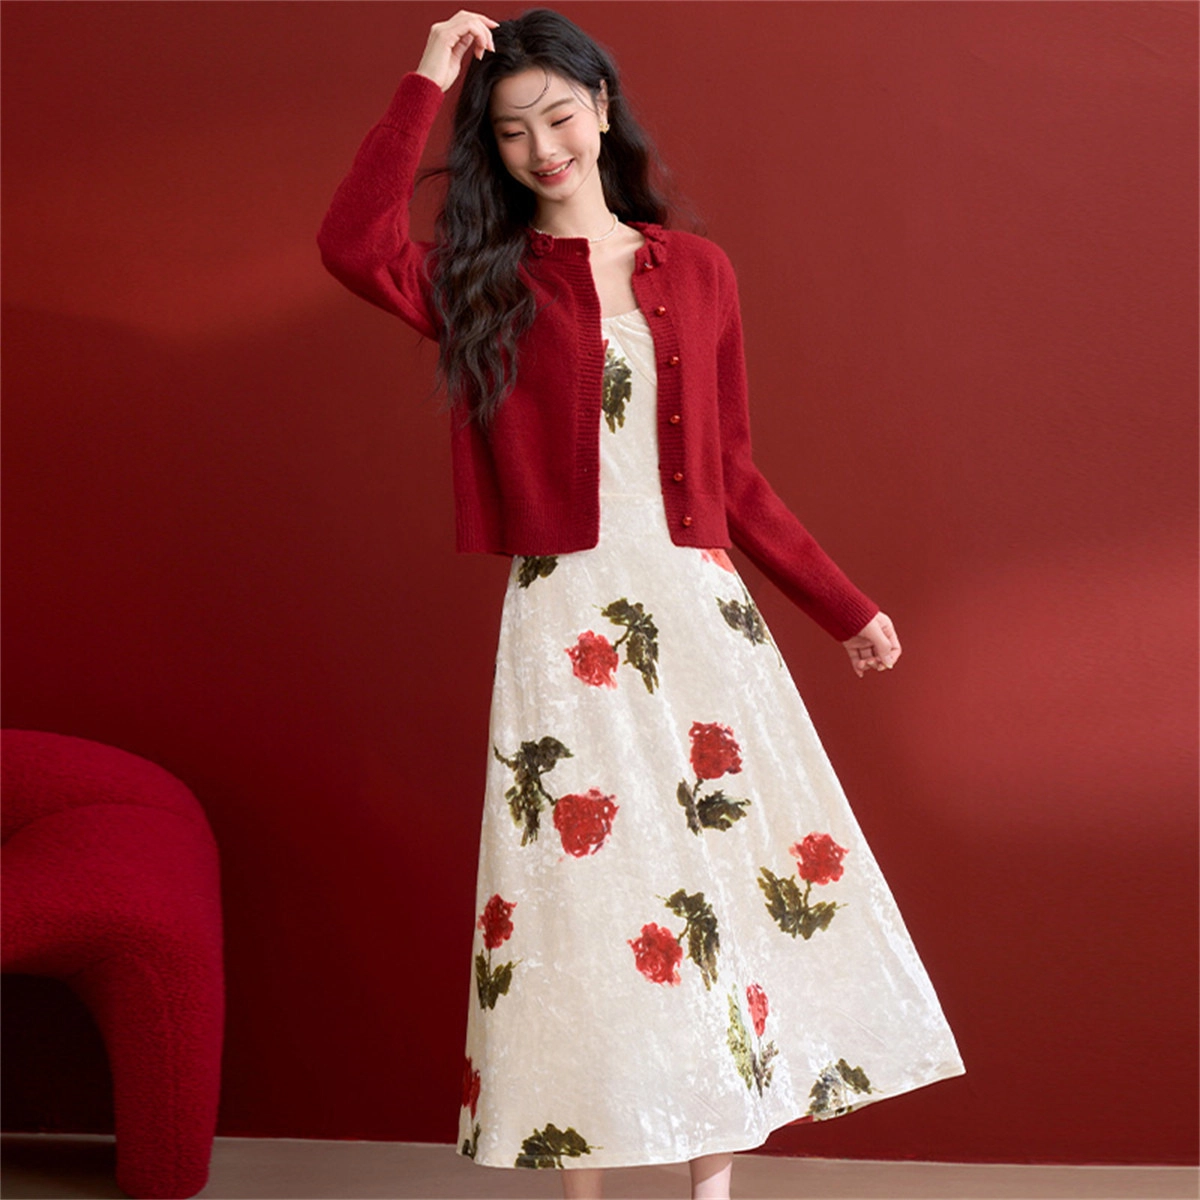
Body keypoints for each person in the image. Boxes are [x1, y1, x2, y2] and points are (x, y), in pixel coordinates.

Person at [318, 9, 964, 1199]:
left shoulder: (698, 273)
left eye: (560, 116)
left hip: (701, 617)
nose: (543, 147)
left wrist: (842, 607)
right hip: (566, 623)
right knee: (583, 899)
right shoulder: (486, 282)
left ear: (603, 109)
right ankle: (588, 1187)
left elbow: (735, 474)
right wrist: (427, 78)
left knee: (723, 886)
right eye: (512, 131)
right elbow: (353, 244)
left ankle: (710, 1186)